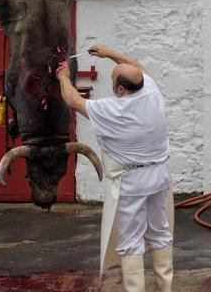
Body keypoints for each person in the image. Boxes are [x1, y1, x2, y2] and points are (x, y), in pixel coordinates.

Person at [56, 44, 173, 292]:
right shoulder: (152, 92)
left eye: (112, 80)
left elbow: (72, 99)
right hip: (160, 174)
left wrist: (63, 77)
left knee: (131, 241)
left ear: (120, 89)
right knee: (159, 233)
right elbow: (139, 68)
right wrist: (109, 54)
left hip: (132, 180)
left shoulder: (112, 109)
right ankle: (165, 288)